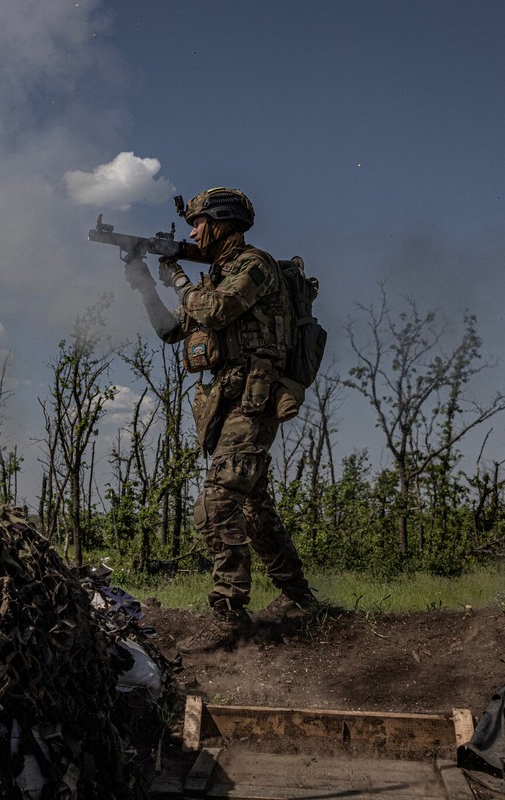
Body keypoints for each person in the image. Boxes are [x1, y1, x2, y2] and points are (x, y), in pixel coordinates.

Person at [123, 186, 315, 647]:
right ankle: (298, 598)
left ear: (222, 223)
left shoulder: (254, 266)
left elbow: (215, 309)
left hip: (256, 399)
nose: (192, 231)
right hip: (230, 402)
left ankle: (229, 617)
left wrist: (175, 275)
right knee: (252, 508)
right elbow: (172, 330)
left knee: (215, 502)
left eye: (198, 223)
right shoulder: (214, 279)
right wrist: (145, 280)